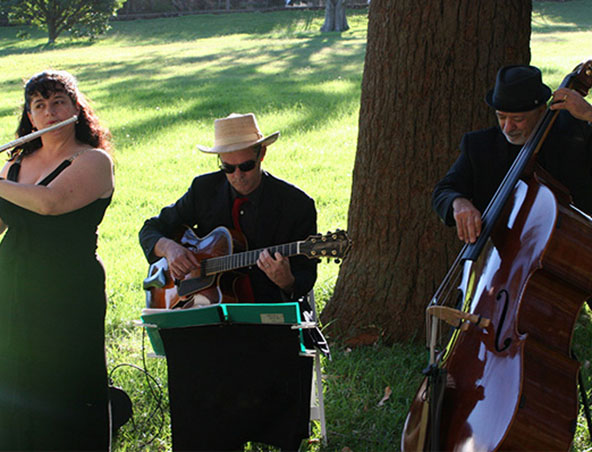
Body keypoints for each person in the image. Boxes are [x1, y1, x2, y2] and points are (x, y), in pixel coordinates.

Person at [0, 70, 115, 450]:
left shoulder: (93, 160)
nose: (49, 112)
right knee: (16, 379)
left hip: (67, 287)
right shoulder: (15, 164)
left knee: (63, 383)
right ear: (30, 116)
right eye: (39, 105)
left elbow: (50, 203)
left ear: (75, 108)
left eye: (58, 102)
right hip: (14, 283)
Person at [139, 112, 317, 305]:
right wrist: (169, 248)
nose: (237, 175)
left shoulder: (297, 205)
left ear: (262, 154)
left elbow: (306, 275)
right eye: (228, 168)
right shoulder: (203, 189)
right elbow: (150, 229)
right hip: (204, 306)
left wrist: (288, 282)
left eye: (246, 166)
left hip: (267, 309)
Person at [432, 64, 592, 243]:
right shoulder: (480, 146)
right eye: (501, 117)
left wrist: (589, 114)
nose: (508, 128)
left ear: (541, 112)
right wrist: (458, 202)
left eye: (518, 119)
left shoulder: (576, 134)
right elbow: (444, 190)